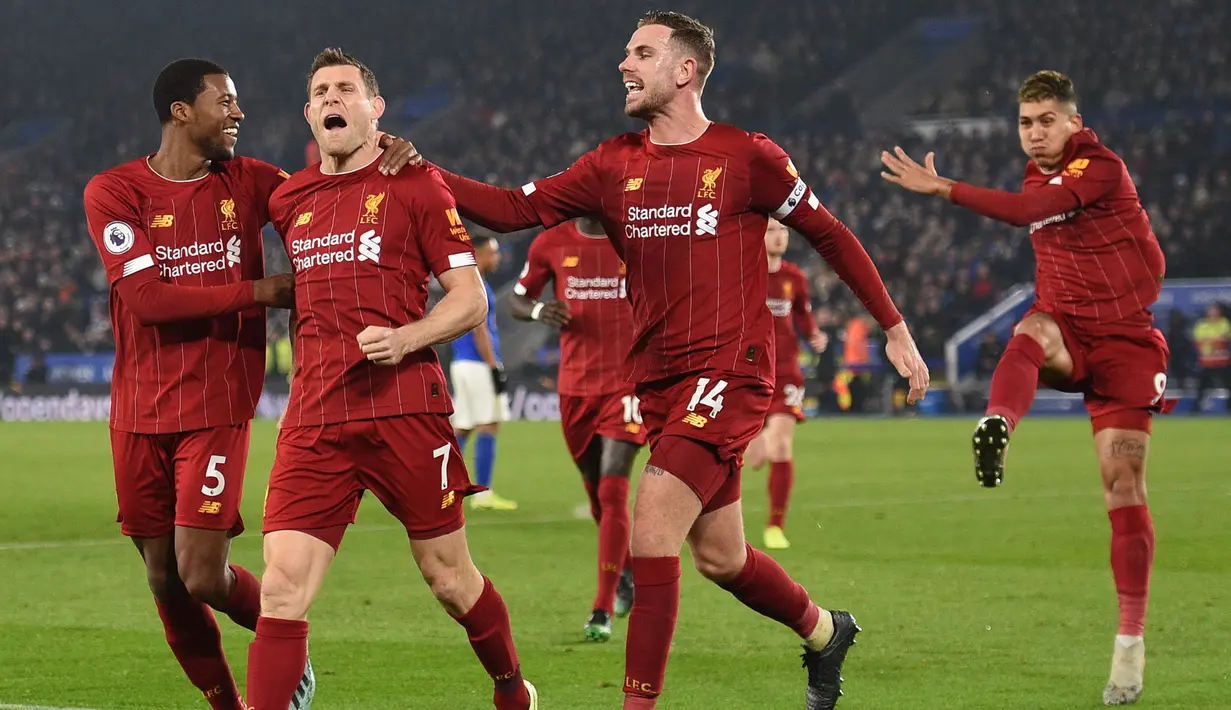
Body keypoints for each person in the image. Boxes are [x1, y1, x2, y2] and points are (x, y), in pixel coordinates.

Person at [392, 12, 929, 708]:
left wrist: (892, 326)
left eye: (640, 52)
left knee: (650, 533)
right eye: (625, 52)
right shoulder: (611, 164)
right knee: (719, 557)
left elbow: (830, 235)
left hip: (730, 374)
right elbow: (508, 207)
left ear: (684, 70)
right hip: (658, 383)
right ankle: (827, 632)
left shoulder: (748, 157)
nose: (624, 64)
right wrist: (422, 168)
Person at [246, 48, 536, 710]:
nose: (332, 98)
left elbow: (469, 299)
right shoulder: (288, 198)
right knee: (281, 588)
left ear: (374, 109)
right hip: (315, 416)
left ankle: (511, 689)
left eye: (346, 89)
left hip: (404, 409)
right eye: (320, 91)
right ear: (307, 113)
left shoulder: (416, 184)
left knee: (448, 579)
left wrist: (406, 338)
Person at [880, 69, 1169, 706]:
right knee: (1030, 328)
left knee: (1122, 486)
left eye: (1045, 121)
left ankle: (1129, 643)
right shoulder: (1037, 171)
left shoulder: (1099, 167)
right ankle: (998, 426)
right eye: (1024, 123)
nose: (1034, 134)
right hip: (1068, 327)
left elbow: (1028, 214)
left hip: (1124, 345)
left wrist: (945, 187)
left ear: (1072, 120)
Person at [83, 57, 305, 710]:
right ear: (183, 111)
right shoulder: (114, 193)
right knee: (163, 578)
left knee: (203, 576)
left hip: (214, 405)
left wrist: (381, 158)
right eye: (225, 101)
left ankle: (285, 644)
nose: (238, 113)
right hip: (137, 411)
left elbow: (326, 209)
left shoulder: (255, 182)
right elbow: (147, 299)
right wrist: (259, 290)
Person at [510, 215, 644, 641]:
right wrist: (537, 309)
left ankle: (601, 609)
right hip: (575, 389)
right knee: (596, 498)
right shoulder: (551, 244)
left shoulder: (635, 239)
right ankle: (628, 571)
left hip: (627, 385)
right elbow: (516, 298)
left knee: (612, 490)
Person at [741, 218, 828, 551]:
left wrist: (814, 335)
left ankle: (775, 526)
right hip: (749, 369)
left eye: (783, 231)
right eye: (772, 231)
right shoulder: (745, 272)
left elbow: (803, 315)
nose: (779, 237)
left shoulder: (795, 277)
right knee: (755, 455)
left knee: (781, 445)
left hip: (787, 371)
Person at [450, 234, 517, 510]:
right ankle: (483, 494)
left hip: (462, 362)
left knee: (464, 426)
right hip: (477, 363)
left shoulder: (462, 283)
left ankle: (443, 487)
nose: (497, 257)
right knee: (489, 423)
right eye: (493, 252)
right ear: (477, 254)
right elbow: (480, 331)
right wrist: (494, 368)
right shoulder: (477, 285)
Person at [1191, 303, 1230, 412]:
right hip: (1207, 363)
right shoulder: (1201, 325)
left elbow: (1225, 338)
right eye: (1211, 310)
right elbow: (1199, 341)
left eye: (1215, 310)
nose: (1213, 313)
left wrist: (1211, 342)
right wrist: (1214, 341)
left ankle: (1229, 408)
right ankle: (1195, 409)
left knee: (1229, 386)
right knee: (1201, 387)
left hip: (1222, 362)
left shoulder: (1224, 323)